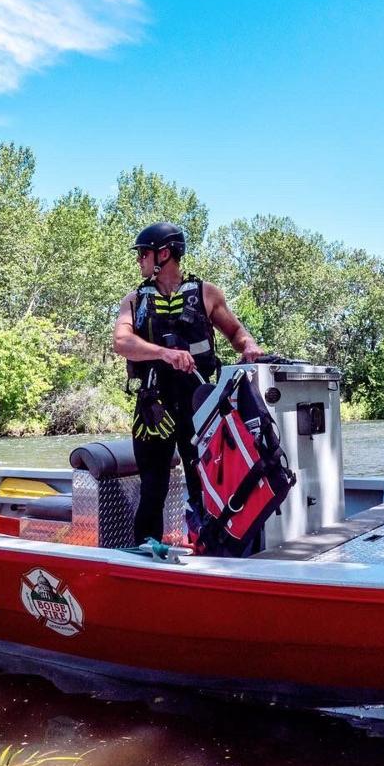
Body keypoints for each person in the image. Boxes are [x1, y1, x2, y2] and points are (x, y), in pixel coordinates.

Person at [113, 222, 264, 545]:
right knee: (154, 486)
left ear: (163, 254)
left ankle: (209, 544)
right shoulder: (134, 300)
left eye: (144, 253)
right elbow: (121, 342)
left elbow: (237, 334)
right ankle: (146, 553)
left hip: (200, 404)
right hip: (154, 407)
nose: (139, 260)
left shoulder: (207, 294)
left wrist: (248, 345)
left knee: (205, 482)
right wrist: (164, 353)